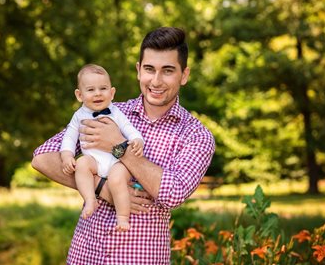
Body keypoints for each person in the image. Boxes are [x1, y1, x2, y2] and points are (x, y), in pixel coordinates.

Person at [32, 27, 215, 265]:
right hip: (85, 256)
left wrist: (118, 145)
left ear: (184, 75)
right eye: (149, 69)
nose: (156, 81)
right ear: (139, 71)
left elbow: (173, 193)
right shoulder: (107, 112)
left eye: (168, 71)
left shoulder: (196, 135)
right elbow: (42, 158)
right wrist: (104, 189)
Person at [60, 63, 144, 231]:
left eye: (103, 88)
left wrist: (137, 139)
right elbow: (69, 137)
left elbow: (128, 128)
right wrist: (67, 155)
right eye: (90, 90)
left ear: (112, 93)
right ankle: (90, 199)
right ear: (79, 95)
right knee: (82, 164)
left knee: (117, 179)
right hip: (94, 163)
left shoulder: (116, 112)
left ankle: (122, 217)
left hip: (117, 162)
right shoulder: (78, 116)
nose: (97, 93)